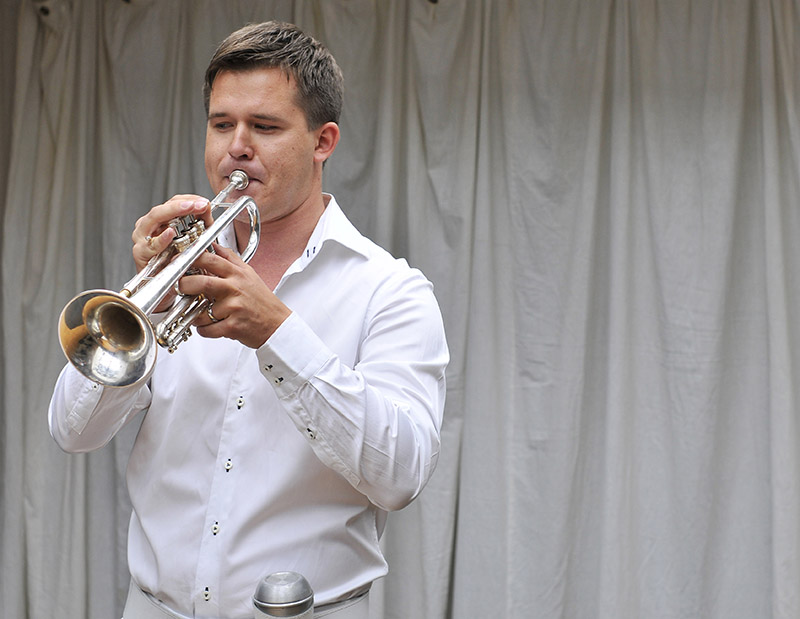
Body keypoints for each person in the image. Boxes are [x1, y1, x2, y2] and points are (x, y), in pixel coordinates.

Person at [48, 21, 448, 619]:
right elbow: (72, 432)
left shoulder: (390, 291)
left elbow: (401, 474)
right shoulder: (176, 270)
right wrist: (150, 302)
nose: (236, 147)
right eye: (221, 124)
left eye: (264, 126)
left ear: (323, 141)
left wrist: (279, 334)